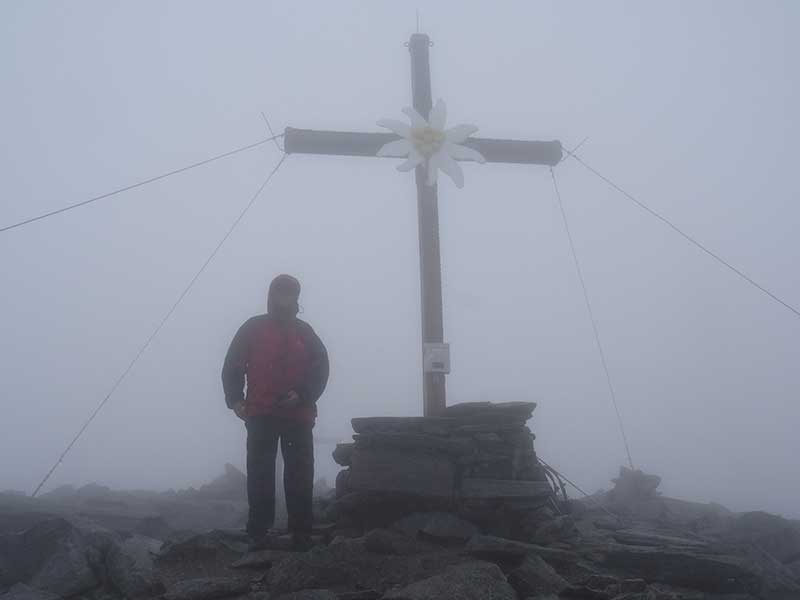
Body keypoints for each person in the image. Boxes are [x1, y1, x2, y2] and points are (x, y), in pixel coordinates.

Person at [222, 274, 329, 550]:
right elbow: (233, 365)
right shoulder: (252, 328)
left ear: (297, 297)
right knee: (260, 472)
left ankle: (301, 531)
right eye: (282, 293)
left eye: (291, 293)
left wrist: (302, 395)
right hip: (261, 414)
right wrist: (235, 400)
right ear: (272, 295)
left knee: (299, 472)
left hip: (298, 415)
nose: (287, 298)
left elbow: (321, 368)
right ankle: (259, 530)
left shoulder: (305, 332)